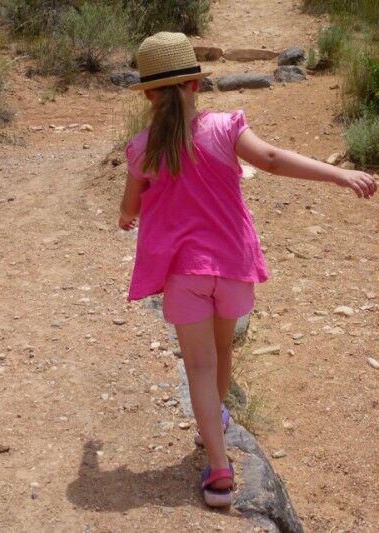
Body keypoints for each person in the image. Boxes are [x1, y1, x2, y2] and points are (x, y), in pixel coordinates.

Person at [118, 32, 377, 508]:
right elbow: (274, 160)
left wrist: (128, 214)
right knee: (222, 351)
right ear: (194, 85)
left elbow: (130, 207)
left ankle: (218, 471)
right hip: (233, 267)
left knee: (197, 364)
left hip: (185, 274)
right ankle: (214, 426)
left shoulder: (141, 147)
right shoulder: (224, 128)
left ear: (149, 94)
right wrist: (340, 173)